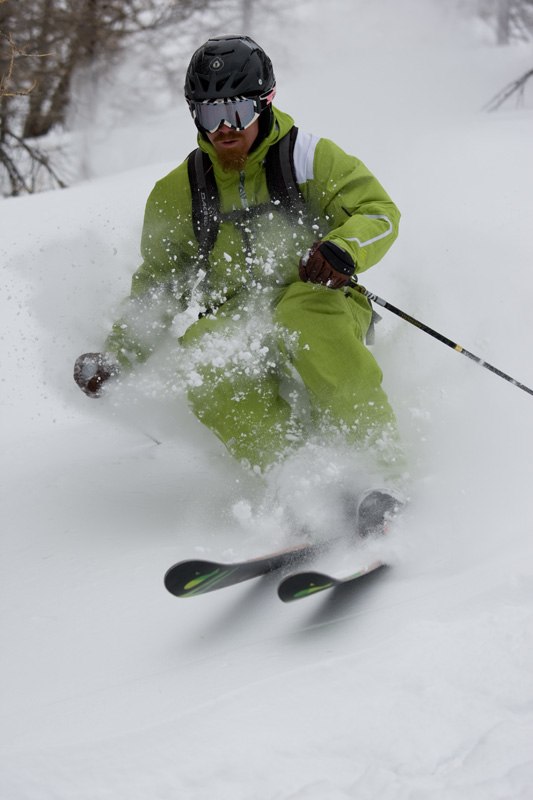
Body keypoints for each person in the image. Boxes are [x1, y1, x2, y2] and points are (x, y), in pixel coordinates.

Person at [74, 34, 401, 481]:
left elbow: (378, 213)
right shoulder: (180, 190)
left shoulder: (307, 158)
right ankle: (299, 481)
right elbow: (160, 283)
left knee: (305, 316)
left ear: (265, 103)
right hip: (238, 312)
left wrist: (343, 249)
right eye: (210, 113)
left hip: (321, 296)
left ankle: (380, 471)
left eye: (237, 111)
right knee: (206, 352)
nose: (224, 128)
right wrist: (121, 355)